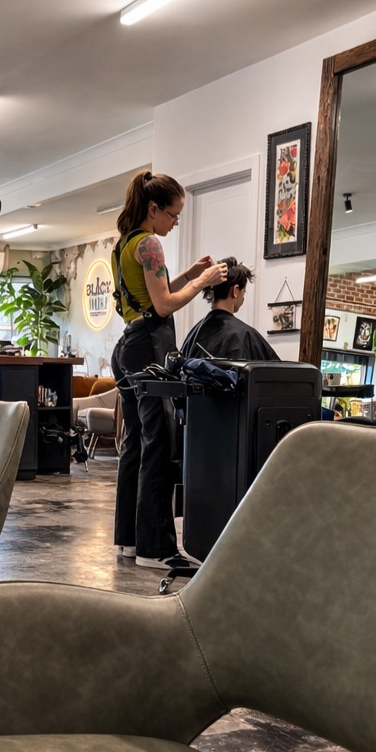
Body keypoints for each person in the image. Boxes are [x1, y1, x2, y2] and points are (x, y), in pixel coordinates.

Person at [109, 170, 226, 570]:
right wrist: (203, 282)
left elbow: (149, 295)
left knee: (135, 444)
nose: (176, 222)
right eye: (173, 214)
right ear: (153, 208)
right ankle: (155, 548)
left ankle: (129, 540)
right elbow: (162, 306)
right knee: (158, 445)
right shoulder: (150, 244)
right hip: (149, 348)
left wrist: (189, 275)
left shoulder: (125, 244)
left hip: (128, 346)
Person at [180, 258, 280, 362]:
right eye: (244, 291)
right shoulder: (244, 335)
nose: (243, 297)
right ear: (235, 290)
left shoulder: (193, 335)